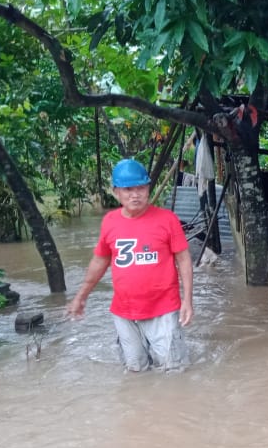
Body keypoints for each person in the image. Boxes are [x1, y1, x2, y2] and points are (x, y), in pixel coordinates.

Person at [67, 158, 194, 372]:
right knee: (135, 371)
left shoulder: (167, 219)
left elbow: (183, 259)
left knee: (173, 371)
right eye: (128, 189)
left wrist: (187, 300)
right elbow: (100, 260)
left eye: (140, 188)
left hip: (163, 309)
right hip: (124, 312)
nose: (135, 194)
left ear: (147, 189)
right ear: (116, 192)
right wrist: (81, 296)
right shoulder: (110, 221)